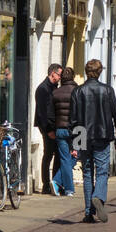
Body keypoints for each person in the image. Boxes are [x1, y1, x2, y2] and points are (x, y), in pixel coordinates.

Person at [69, 58, 116, 222]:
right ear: (100, 72)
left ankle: (88, 213)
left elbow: (73, 120)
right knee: (102, 170)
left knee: (87, 172)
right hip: (102, 134)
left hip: (83, 134)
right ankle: (98, 196)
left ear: (86, 72)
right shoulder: (107, 90)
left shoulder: (78, 92)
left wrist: (75, 144)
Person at [48, 66, 79, 196]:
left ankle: (58, 181)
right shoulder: (78, 92)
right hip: (77, 130)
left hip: (60, 129)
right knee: (77, 156)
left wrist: (51, 129)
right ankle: (68, 188)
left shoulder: (55, 93)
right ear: (73, 77)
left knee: (66, 158)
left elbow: (50, 114)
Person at [35, 63, 63, 194]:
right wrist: (49, 130)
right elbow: (42, 112)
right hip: (47, 127)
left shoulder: (53, 87)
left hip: (53, 126)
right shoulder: (43, 89)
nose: (60, 77)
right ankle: (46, 184)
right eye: (59, 74)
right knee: (48, 155)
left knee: (56, 153)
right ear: (53, 73)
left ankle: (54, 183)